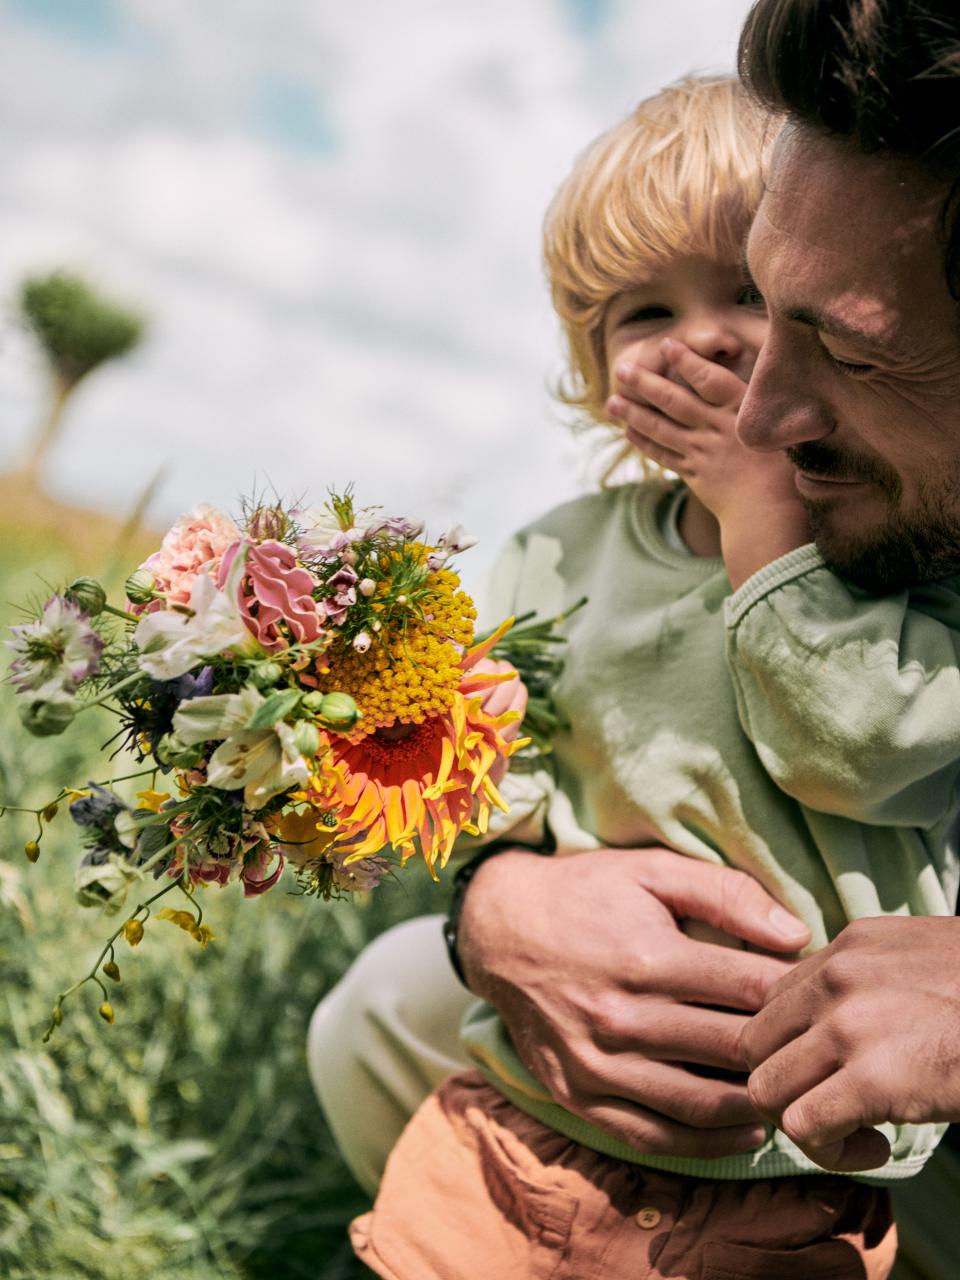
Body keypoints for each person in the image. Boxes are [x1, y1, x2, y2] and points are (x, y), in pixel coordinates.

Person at [332, 72, 960, 1278]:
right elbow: (475, 760)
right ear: (593, 369)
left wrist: (762, 519)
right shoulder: (562, 553)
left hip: (792, 1150)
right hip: (548, 1102)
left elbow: (864, 749)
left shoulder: (884, 558)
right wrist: (491, 881)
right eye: (642, 314)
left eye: (748, 293)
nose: (707, 338)